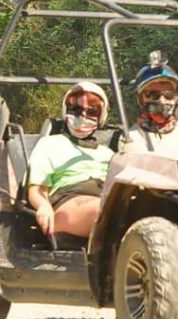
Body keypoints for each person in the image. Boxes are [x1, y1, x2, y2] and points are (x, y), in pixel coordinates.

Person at [26, 82, 114, 239]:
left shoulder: (108, 154)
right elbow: (36, 190)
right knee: (109, 212)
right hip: (67, 199)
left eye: (91, 111)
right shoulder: (50, 144)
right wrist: (43, 206)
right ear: (66, 111)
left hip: (107, 196)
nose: (83, 116)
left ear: (101, 117)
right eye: (76, 110)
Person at [123, 52, 178, 152]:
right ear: (140, 99)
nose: (161, 100)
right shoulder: (129, 141)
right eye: (152, 95)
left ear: (176, 99)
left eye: (169, 95)